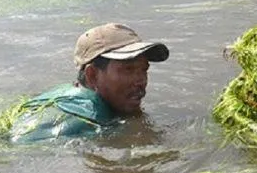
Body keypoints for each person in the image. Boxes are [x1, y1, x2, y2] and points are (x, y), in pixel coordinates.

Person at [9, 23, 169, 143]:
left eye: (143, 70)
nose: (140, 80)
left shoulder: (66, 94)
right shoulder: (87, 126)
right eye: (128, 70)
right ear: (92, 75)